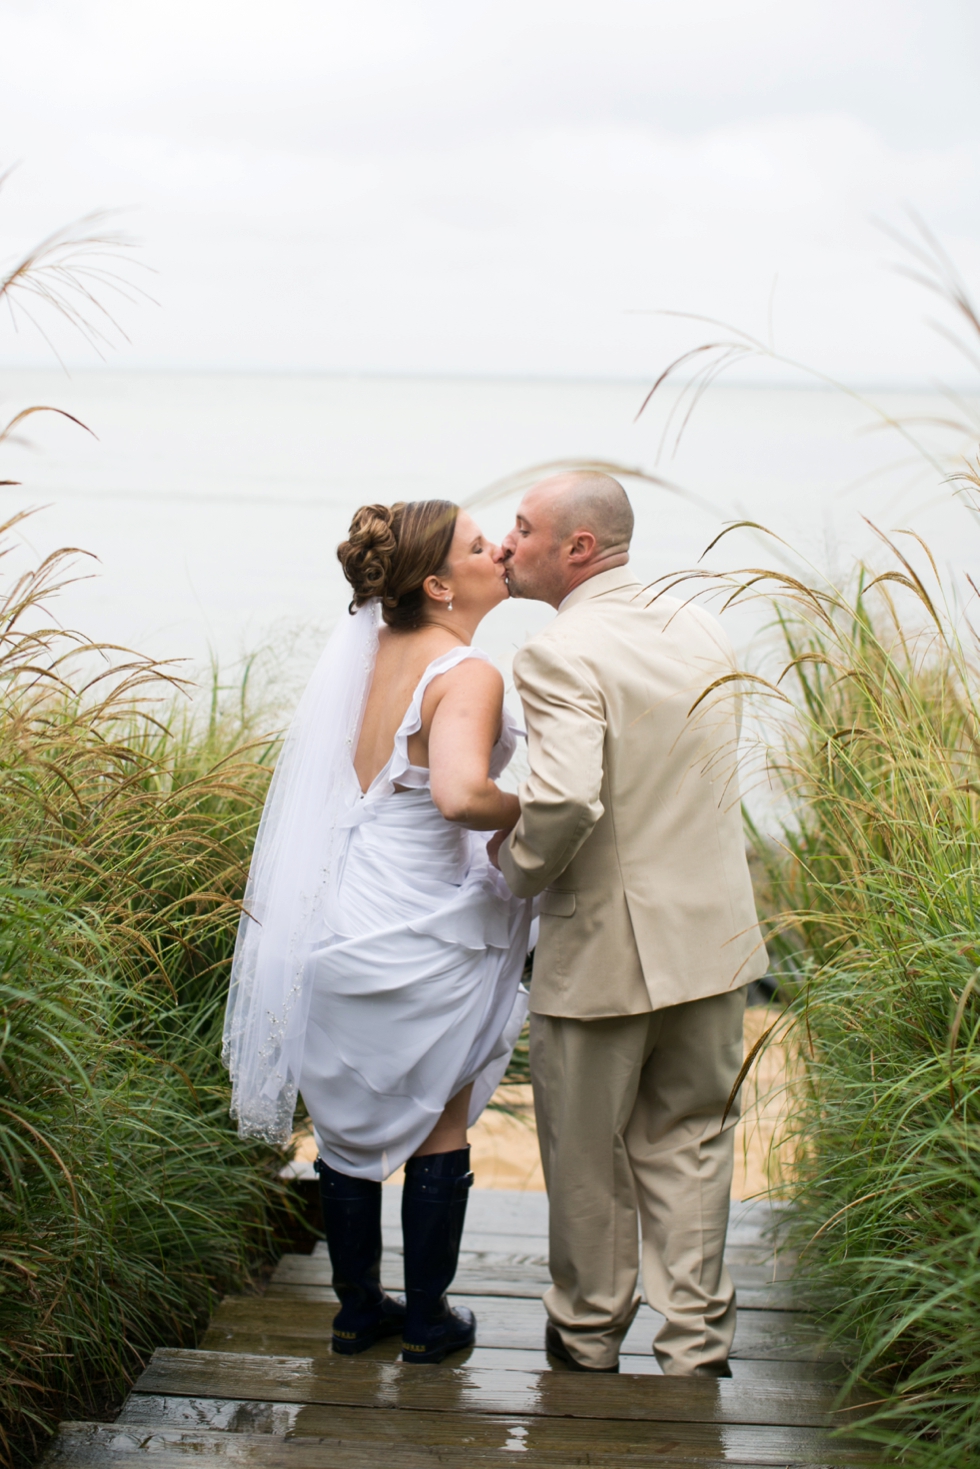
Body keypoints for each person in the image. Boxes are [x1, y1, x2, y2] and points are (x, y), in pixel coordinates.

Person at [223, 500, 531, 1364]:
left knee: (347, 1130)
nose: (498, 548)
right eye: (479, 546)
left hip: (339, 914)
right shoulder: (466, 672)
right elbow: (461, 795)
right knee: (440, 1122)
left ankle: (358, 1310)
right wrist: (551, 803)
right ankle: (430, 1320)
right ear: (438, 584)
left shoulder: (367, 655)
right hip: (422, 920)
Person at [489, 470, 768, 1376]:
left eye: (523, 528)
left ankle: (586, 1335)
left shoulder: (558, 650)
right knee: (692, 1141)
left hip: (605, 948)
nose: (507, 542)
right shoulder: (703, 625)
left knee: (585, 1159)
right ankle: (697, 1345)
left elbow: (565, 798)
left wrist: (513, 868)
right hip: (715, 943)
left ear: (578, 548)